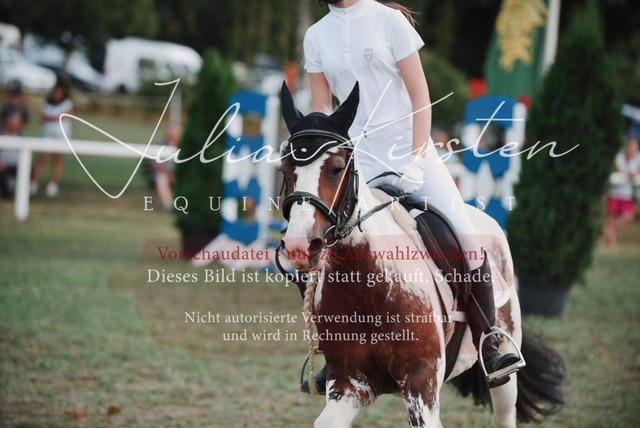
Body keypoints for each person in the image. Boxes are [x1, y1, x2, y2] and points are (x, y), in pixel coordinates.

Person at [300, 0, 523, 392]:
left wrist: (418, 160)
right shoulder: (315, 36)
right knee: (327, 248)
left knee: (465, 237)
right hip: (357, 163)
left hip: (410, 149)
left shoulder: (390, 22)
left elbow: (421, 96)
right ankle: (335, 350)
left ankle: (490, 339)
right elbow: (323, 112)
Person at [31, 79, 73, 197]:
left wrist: (51, 118)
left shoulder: (67, 103)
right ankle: (34, 182)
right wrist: (56, 118)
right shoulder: (46, 104)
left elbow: (65, 116)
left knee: (57, 159)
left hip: (61, 135)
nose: (57, 94)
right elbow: (43, 118)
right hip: (47, 134)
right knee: (42, 158)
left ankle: (53, 184)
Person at [602, 137, 640, 244]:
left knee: (628, 217)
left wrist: (635, 174)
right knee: (610, 216)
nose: (631, 147)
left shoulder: (638, 159)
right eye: (630, 145)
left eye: (634, 145)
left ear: (637, 148)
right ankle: (611, 240)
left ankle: (607, 231)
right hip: (615, 192)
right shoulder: (619, 157)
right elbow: (614, 170)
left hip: (628, 194)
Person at [146, 125, 181, 212]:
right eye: (170, 132)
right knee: (161, 178)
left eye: (174, 133)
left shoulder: (183, 146)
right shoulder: (159, 145)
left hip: (179, 174)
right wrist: (170, 175)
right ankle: (169, 206)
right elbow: (156, 165)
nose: (172, 135)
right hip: (164, 174)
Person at [0, 113, 25, 198]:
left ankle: (23, 193)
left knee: (28, 169)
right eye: (14, 122)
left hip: (17, 163)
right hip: (2, 163)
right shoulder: (1, 133)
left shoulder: (20, 134)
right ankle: (7, 194)